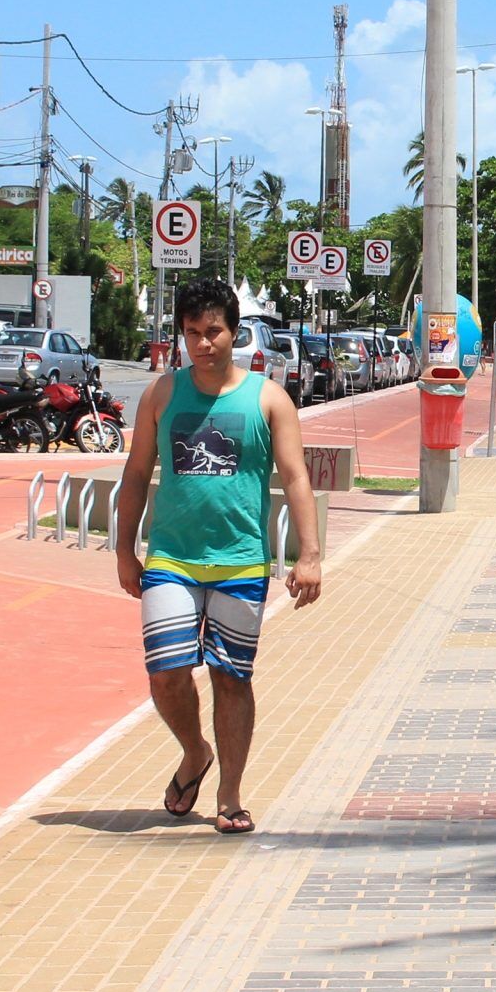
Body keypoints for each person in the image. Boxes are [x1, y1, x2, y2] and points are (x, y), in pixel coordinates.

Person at [112, 277, 324, 834]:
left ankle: (229, 795)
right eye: (192, 333)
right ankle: (193, 751)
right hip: (172, 559)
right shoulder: (161, 394)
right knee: (166, 671)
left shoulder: (268, 398)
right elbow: (136, 475)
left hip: (240, 560)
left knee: (232, 678)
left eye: (214, 332)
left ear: (235, 333)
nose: (203, 344)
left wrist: (311, 556)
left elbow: (296, 477)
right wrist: (123, 551)